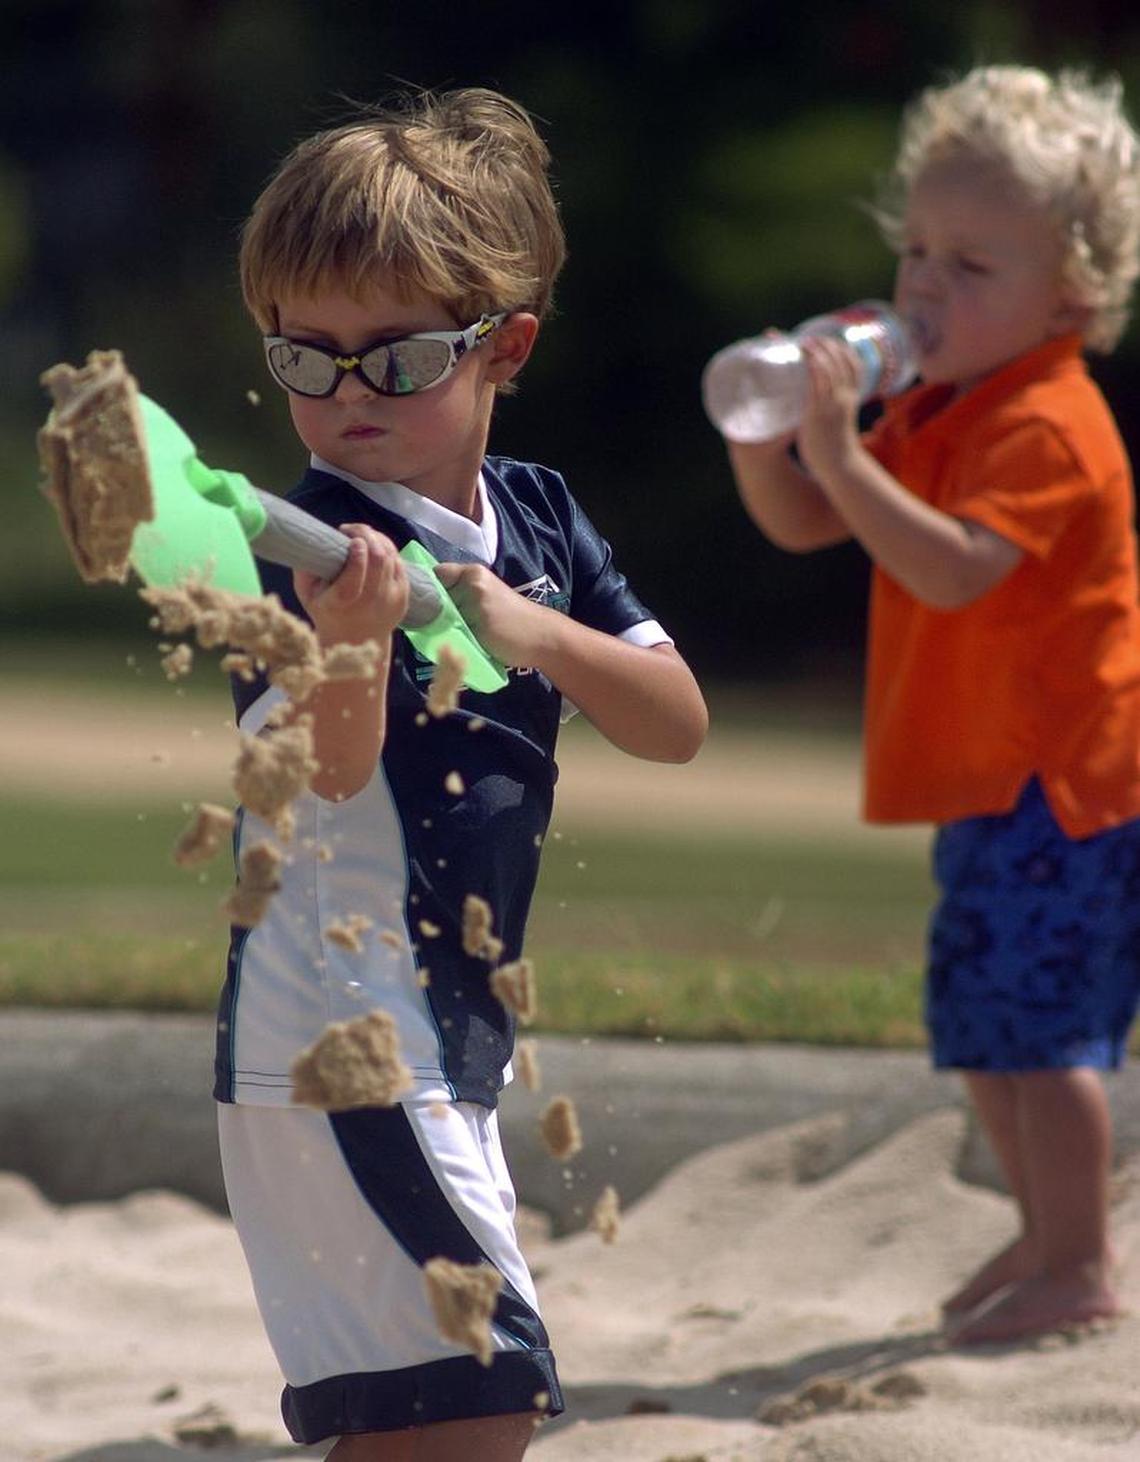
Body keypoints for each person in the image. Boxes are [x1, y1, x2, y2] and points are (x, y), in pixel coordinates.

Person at [215, 86, 708, 1460]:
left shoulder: (539, 517)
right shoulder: (300, 550)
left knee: (421, 1425)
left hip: (445, 1044)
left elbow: (673, 719)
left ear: (507, 347)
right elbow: (327, 771)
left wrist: (534, 628)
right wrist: (358, 641)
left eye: (395, 357)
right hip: (344, 1039)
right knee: (478, 1403)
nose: (346, 397)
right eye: (305, 361)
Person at [722, 65, 1140, 1346]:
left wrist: (843, 454)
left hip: (1065, 783)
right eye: (914, 249)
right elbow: (804, 520)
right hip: (982, 778)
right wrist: (769, 436)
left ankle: (1080, 1261)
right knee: (981, 1026)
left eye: (971, 263)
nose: (921, 286)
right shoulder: (939, 401)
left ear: (1072, 291)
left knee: (1050, 1030)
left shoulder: (1047, 424)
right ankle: (1045, 1228)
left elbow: (953, 568)